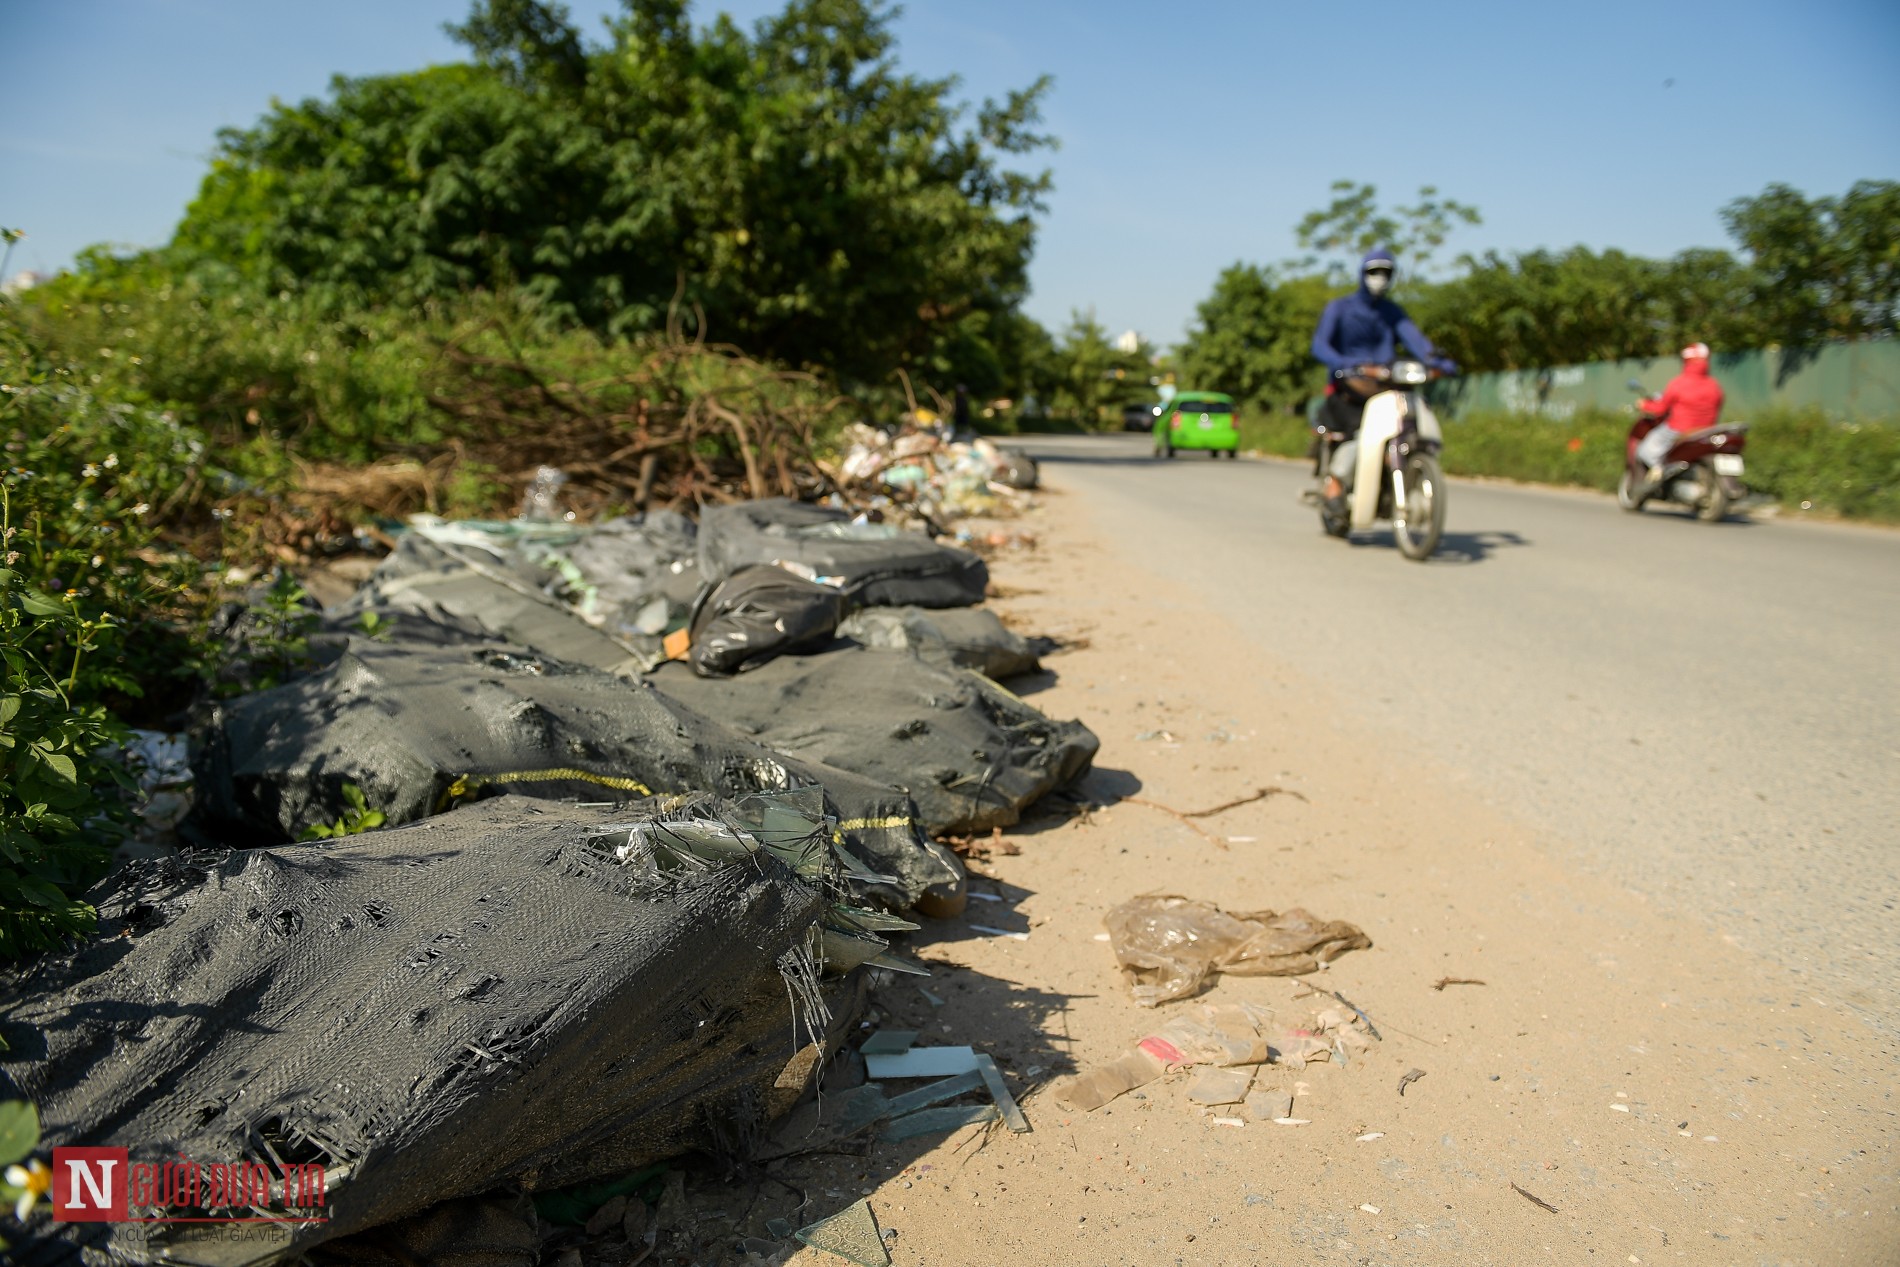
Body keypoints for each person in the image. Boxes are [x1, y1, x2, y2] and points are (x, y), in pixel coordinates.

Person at [1310, 248, 1457, 508]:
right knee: (1356, 433)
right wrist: (1345, 363)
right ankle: (1335, 483)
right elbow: (1320, 345)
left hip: (1386, 389)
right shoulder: (1340, 308)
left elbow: (1418, 343)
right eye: (1374, 272)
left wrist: (1440, 362)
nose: (1380, 277)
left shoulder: (1392, 313)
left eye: (1386, 272)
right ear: (1363, 274)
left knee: (1409, 422)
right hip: (1350, 390)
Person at [1635, 343, 1724, 488]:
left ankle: (1657, 469)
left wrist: (1644, 405)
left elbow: (1660, 408)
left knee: (1645, 449)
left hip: (1679, 429)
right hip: (1706, 432)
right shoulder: (1714, 385)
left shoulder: (1679, 383)